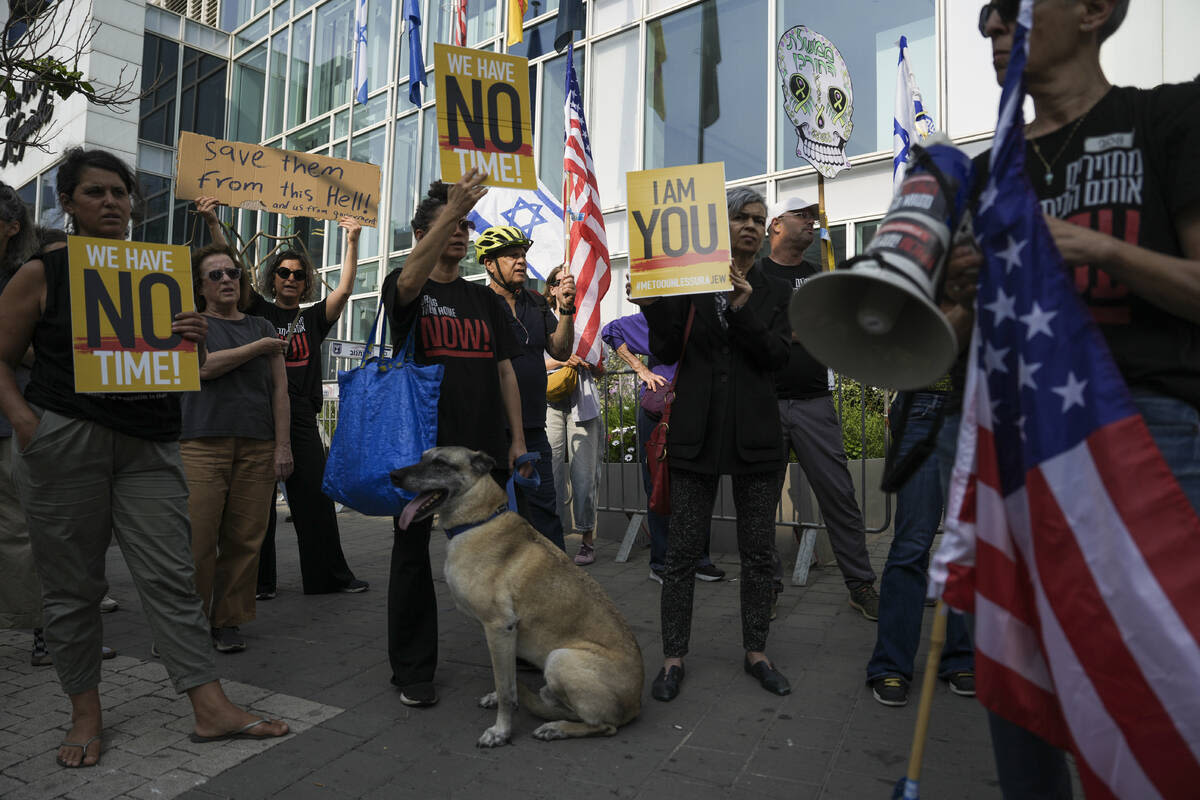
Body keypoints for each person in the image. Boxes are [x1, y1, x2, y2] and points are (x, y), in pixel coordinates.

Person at [959, 2, 1199, 796]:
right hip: (1021, 441)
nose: (991, 30)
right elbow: (960, 331)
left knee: (1152, 674)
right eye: (986, 20)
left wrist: (1089, 246)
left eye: (1009, 12)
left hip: (1145, 430)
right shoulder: (993, 168)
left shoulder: (1167, 114)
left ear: (1093, 12)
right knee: (1016, 661)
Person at [0, 147, 288, 769]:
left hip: (152, 442)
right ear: (69, 204)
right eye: (95, 193)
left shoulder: (157, 273)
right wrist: (27, 423)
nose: (111, 203)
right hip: (67, 438)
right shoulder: (44, 270)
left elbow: (173, 366)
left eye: (120, 193)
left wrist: (191, 340)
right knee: (74, 587)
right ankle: (85, 714)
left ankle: (210, 709)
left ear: (133, 204)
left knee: (173, 578)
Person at [635, 187, 793, 702]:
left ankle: (756, 653)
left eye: (758, 218)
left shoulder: (773, 285)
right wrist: (654, 303)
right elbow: (662, 348)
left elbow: (779, 358)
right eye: (740, 217)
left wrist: (744, 308)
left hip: (757, 437)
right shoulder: (692, 279)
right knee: (681, 553)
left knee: (758, 554)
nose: (750, 225)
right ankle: (673, 658)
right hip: (696, 437)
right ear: (718, 225)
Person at [381, 170, 531, 708]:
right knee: (413, 555)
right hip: (425, 454)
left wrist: (516, 441)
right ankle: (414, 670)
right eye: (451, 224)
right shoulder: (407, 289)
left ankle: (523, 647)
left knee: (504, 552)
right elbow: (405, 285)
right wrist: (448, 207)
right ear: (425, 234)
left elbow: (506, 373)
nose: (462, 233)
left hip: (482, 456)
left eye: (468, 224)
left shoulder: (484, 301)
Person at [196, 199, 368, 597]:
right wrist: (212, 222)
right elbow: (232, 266)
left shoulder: (312, 319)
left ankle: (328, 578)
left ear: (305, 284)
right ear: (272, 280)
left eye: (297, 275)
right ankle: (259, 583)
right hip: (259, 413)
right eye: (283, 274)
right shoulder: (258, 313)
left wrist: (353, 239)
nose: (290, 279)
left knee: (315, 498)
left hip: (302, 417)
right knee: (256, 504)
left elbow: (344, 289)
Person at [758, 197, 880, 621]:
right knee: (760, 502)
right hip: (765, 404)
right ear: (776, 224)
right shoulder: (753, 275)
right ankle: (765, 588)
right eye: (802, 214)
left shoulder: (818, 276)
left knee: (840, 496)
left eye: (814, 215)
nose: (812, 221)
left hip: (815, 402)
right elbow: (756, 332)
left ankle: (860, 584)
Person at [181, 243, 293, 654]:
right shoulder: (192, 324)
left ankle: (227, 620)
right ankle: (186, 625)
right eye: (216, 275)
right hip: (200, 442)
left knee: (246, 539)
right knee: (197, 539)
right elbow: (201, 368)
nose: (227, 280)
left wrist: (283, 447)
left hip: (258, 445)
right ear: (200, 285)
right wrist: (257, 350)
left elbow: (281, 392)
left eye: (232, 273)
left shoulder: (262, 326)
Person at [864, 386, 975, 707]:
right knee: (912, 542)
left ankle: (962, 656)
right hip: (924, 401)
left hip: (979, 402)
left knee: (968, 544)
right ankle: (891, 663)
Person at [602, 305, 727, 584]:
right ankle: (661, 561)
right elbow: (611, 331)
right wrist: (640, 369)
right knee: (660, 487)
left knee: (700, 485)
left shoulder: (715, 316)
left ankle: (698, 559)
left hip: (701, 412)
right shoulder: (663, 315)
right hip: (661, 414)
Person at [479, 225, 574, 553]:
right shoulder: (479, 303)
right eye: (512, 256)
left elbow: (560, 350)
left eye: (523, 255)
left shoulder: (535, 301)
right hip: (490, 429)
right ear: (489, 263)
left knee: (545, 511)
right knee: (493, 517)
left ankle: (558, 586)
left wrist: (565, 309)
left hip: (534, 427)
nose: (521, 261)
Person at [0, 183, 44, 664]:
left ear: (12, 228)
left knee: (24, 529)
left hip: (14, 422)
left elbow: (38, 353)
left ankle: (44, 631)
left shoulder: (26, 278)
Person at [543, 265, 605, 565]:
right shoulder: (541, 319)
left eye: (571, 282)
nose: (566, 286)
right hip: (550, 403)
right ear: (551, 289)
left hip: (583, 403)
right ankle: (553, 539)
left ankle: (587, 539)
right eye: (559, 282)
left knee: (584, 476)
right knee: (550, 472)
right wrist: (560, 361)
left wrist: (592, 362)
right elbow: (531, 363)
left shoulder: (588, 321)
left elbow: (601, 367)